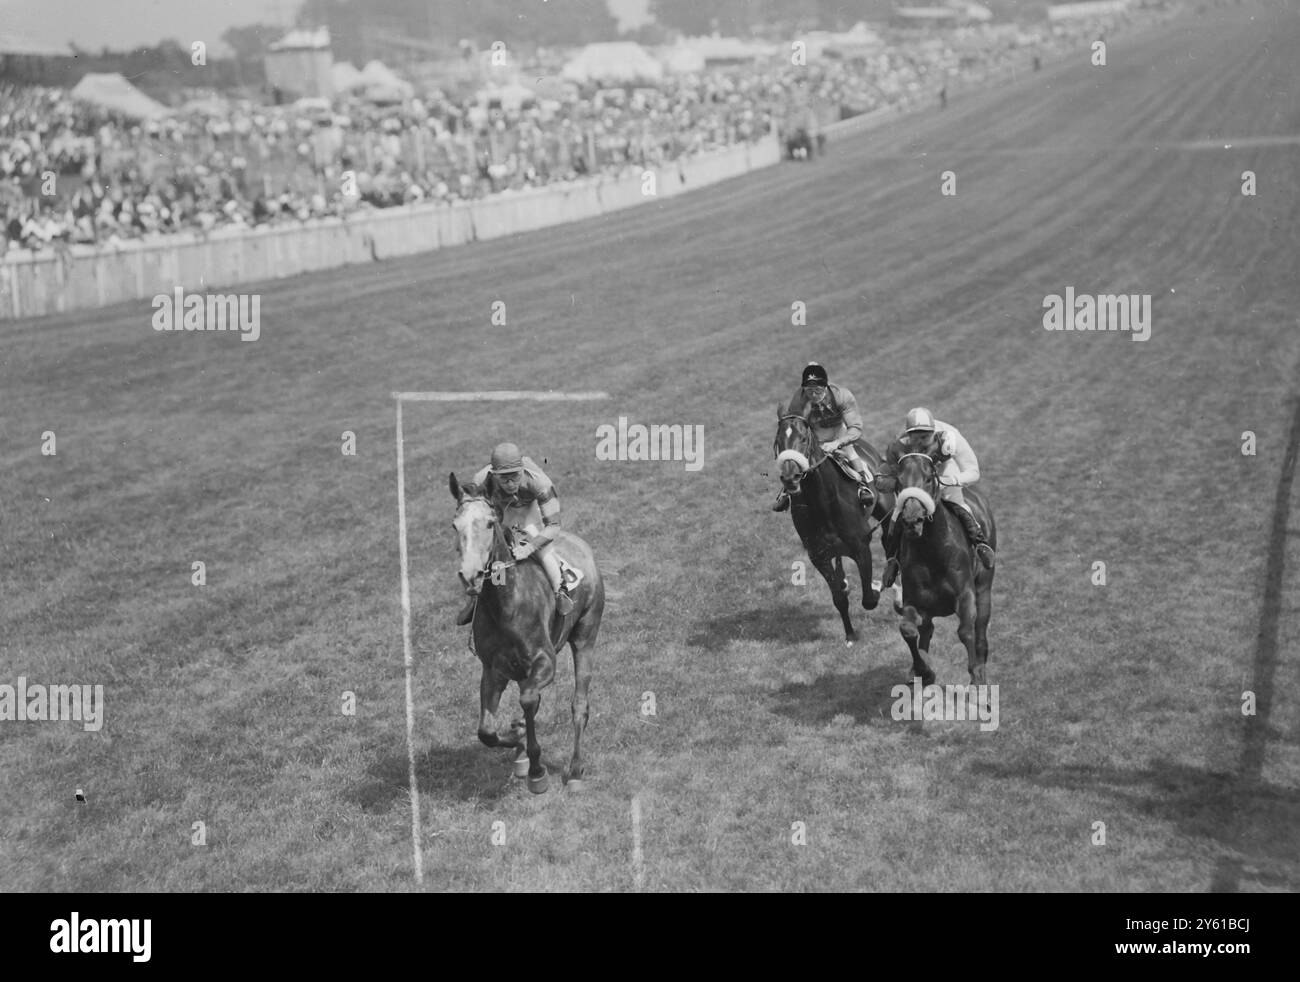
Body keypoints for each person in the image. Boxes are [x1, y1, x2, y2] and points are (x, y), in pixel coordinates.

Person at [456, 442, 575, 625]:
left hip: (529, 509)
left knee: (542, 549)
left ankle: (560, 591)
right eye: (504, 479)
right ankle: (478, 598)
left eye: (515, 476)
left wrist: (529, 547)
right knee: (493, 552)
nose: (510, 483)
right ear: (493, 474)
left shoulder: (540, 482)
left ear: (522, 470)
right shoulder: (480, 480)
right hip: (499, 510)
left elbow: (553, 526)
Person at [877, 407, 995, 587]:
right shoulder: (899, 445)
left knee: (957, 503)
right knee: (896, 515)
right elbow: (885, 474)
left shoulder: (949, 439)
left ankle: (979, 544)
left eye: (925, 437)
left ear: (934, 432)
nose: (920, 442)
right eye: (915, 437)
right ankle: (893, 561)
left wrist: (951, 480)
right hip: (917, 480)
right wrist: (889, 481)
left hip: (944, 474)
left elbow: (973, 472)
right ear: (907, 434)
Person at [773, 362, 875, 511]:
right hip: (814, 432)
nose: (813, 395)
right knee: (798, 458)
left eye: (818, 390)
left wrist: (837, 443)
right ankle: (787, 491)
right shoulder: (799, 399)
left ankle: (863, 486)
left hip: (838, 430)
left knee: (850, 452)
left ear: (826, 386)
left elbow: (856, 428)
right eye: (809, 391)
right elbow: (795, 425)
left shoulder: (842, 395)